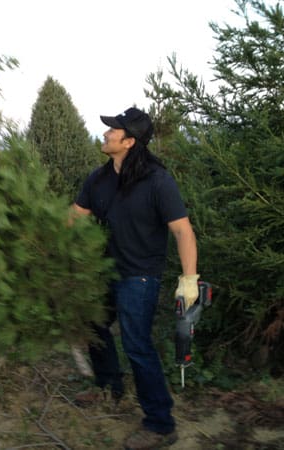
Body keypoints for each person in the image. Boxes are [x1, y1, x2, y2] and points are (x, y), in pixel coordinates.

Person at [71, 107, 199, 449]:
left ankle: (160, 424)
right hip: (106, 270)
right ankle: (109, 387)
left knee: (137, 346)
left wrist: (189, 281)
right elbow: (77, 215)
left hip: (140, 277)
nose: (106, 133)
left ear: (129, 141)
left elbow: (183, 232)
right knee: (93, 326)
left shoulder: (158, 181)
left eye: (113, 130)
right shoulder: (99, 178)